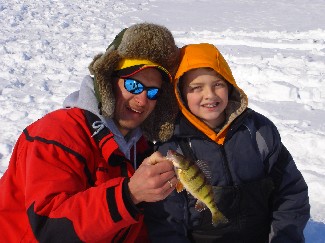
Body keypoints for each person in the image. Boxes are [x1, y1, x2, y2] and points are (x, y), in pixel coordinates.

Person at [0, 23, 180, 242]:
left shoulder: (139, 149)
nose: (142, 100)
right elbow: (49, 229)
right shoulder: (57, 133)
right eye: (133, 85)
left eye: (152, 92)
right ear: (107, 82)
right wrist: (128, 195)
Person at [144, 43, 310, 243]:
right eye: (196, 87)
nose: (210, 95)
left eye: (218, 84)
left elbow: (291, 193)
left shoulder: (258, 132)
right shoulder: (172, 146)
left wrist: (284, 238)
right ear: (180, 93)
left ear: (230, 84)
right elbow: (166, 222)